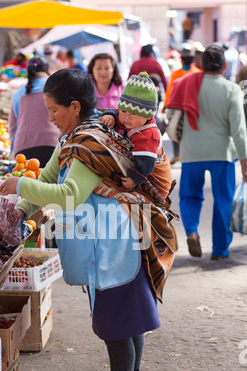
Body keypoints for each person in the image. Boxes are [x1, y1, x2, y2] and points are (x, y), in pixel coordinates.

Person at [0, 68, 178, 371]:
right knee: (129, 319)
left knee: (117, 323)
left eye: (54, 110)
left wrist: (20, 185)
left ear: (75, 107)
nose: (49, 117)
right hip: (107, 238)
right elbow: (49, 178)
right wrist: (20, 211)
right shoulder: (74, 138)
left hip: (116, 243)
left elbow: (69, 195)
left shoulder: (90, 142)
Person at [166, 44, 247, 260]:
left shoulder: (185, 83)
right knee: (223, 199)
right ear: (224, 66)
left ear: (202, 64)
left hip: (191, 151)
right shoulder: (231, 90)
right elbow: (238, 130)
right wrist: (245, 163)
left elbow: (171, 115)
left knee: (190, 197)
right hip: (222, 153)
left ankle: (192, 231)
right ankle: (220, 250)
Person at [100, 72, 172, 205]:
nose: (127, 117)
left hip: (156, 182)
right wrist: (111, 115)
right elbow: (115, 112)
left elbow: (146, 163)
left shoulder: (148, 134)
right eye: (124, 111)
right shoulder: (129, 120)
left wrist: (134, 179)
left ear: (147, 116)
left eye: (133, 113)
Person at [8, 54, 60, 167]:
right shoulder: (57, 89)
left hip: (22, 151)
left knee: (28, 182)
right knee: (51, 184)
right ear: (47, 71)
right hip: (53, 146)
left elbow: (12, 128)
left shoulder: (18, 93)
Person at [164, 43, 201, 164]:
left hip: (180, 108)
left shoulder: (178, 73)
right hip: (191, 107)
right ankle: (180, 154)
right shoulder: (197, 72)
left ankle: (179, 154)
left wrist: (166, 106)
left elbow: (170, 91)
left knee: (176, 128)